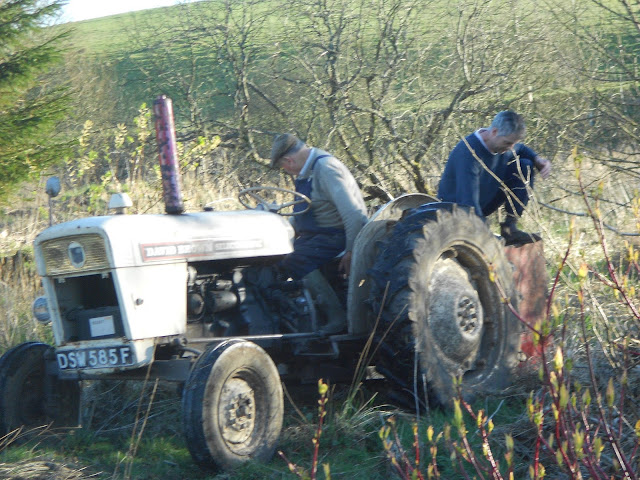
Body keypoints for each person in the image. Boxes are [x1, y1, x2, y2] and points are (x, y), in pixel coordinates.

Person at [270, 133, 368, 334]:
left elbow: (354, 215)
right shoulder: (307, 171)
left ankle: (336, 317)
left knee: (294, 259)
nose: (286, 171)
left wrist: (351, 251)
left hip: (335, 235)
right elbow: (300, 213)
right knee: (273, 257)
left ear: (289, 160)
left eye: (283, 167)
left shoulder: (326, 168)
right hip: (316, 236)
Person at [437, 110, 551, 245]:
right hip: (457, 211)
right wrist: (487, 237)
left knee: (525, 165)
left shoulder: (502, 144)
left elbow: (520, 149)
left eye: (513, 143)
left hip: (482, 203)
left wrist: (537, 159)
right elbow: (468, 202)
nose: (510, 148)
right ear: (494, 132)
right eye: (508, 143)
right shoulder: (468, 154)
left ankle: (510, 229)